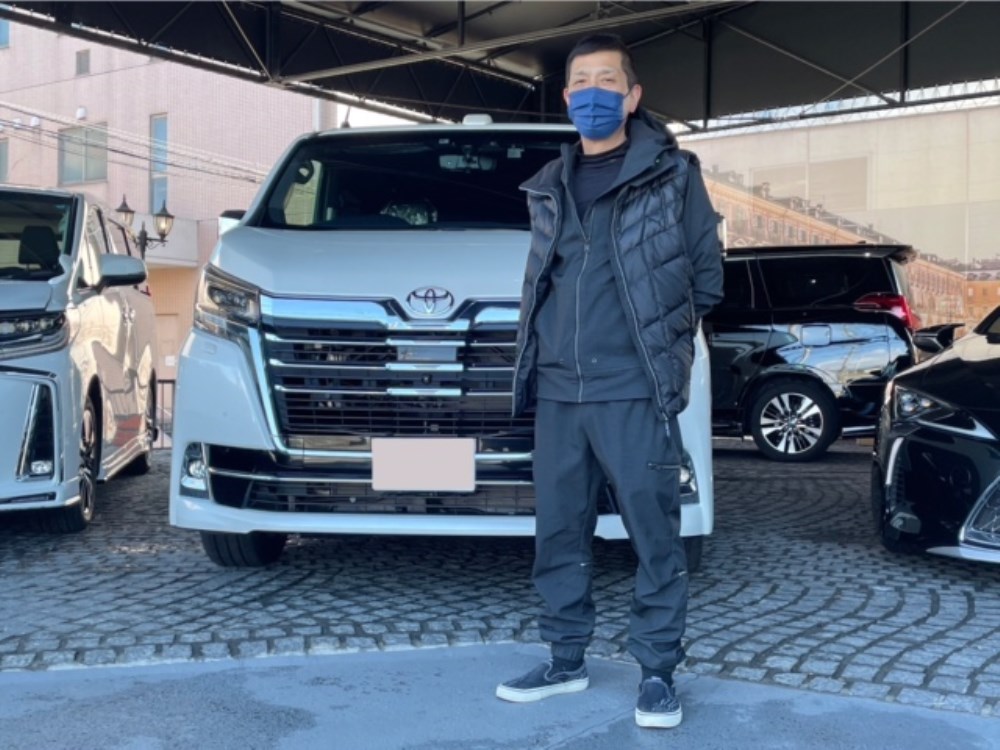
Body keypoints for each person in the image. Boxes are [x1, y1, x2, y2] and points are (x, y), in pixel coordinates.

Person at [496, 33, 724, 729]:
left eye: (607, 81)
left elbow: (706, 275)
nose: (592, 93)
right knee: (558, 532)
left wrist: (662, 346)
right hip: (559, 392)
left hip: (631, 387)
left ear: (632, 96)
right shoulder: (549, 183)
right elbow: (544, 280)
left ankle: (656, 672)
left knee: (654, 533)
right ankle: (565, 660)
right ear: (567, 97)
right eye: (581, 83)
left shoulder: (673, 174)